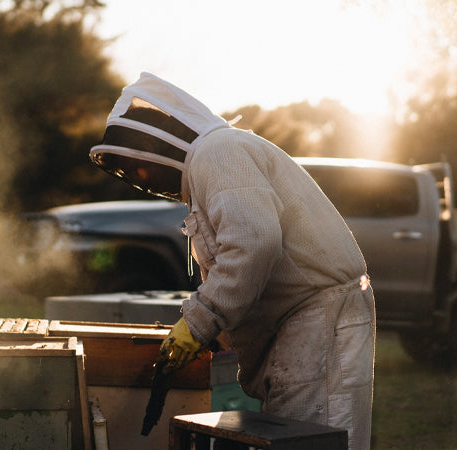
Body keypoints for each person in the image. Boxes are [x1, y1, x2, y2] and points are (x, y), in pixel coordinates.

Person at [90, 72, 375, 450]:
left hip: (318, 319)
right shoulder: (214, 159)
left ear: (153, 143)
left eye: (135, 167)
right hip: (303, 322)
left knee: (312, 441)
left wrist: (200, 321)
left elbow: (253, 243)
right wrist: (216, 331)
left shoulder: (217, 151)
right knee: (295, 438)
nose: (140, 179)